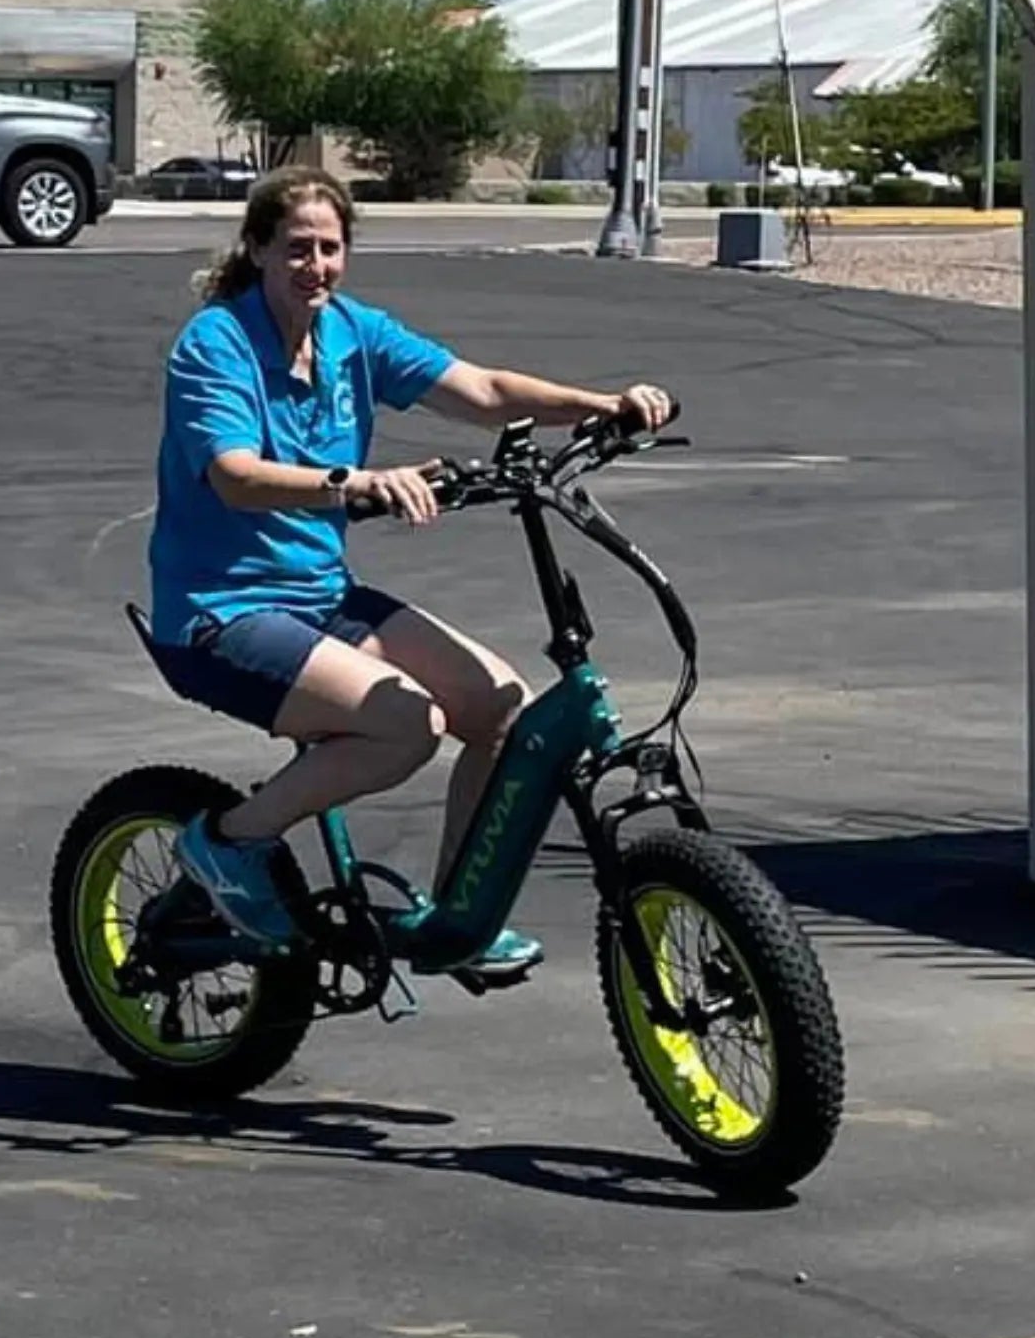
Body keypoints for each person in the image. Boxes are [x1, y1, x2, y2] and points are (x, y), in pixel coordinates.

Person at [146, 164, 674, 977]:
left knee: (504, 709)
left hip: (319, 600)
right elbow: (233, 475)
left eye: (329, 248)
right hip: (221, 613)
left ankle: (458, 918)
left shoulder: (353, 333)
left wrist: (606, 405)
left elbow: (485, 390)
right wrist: (352, 484)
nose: (314, 266)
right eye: (295, 248)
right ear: (255, 250)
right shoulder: (216, 342)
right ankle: (227, 841)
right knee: (407, 724)